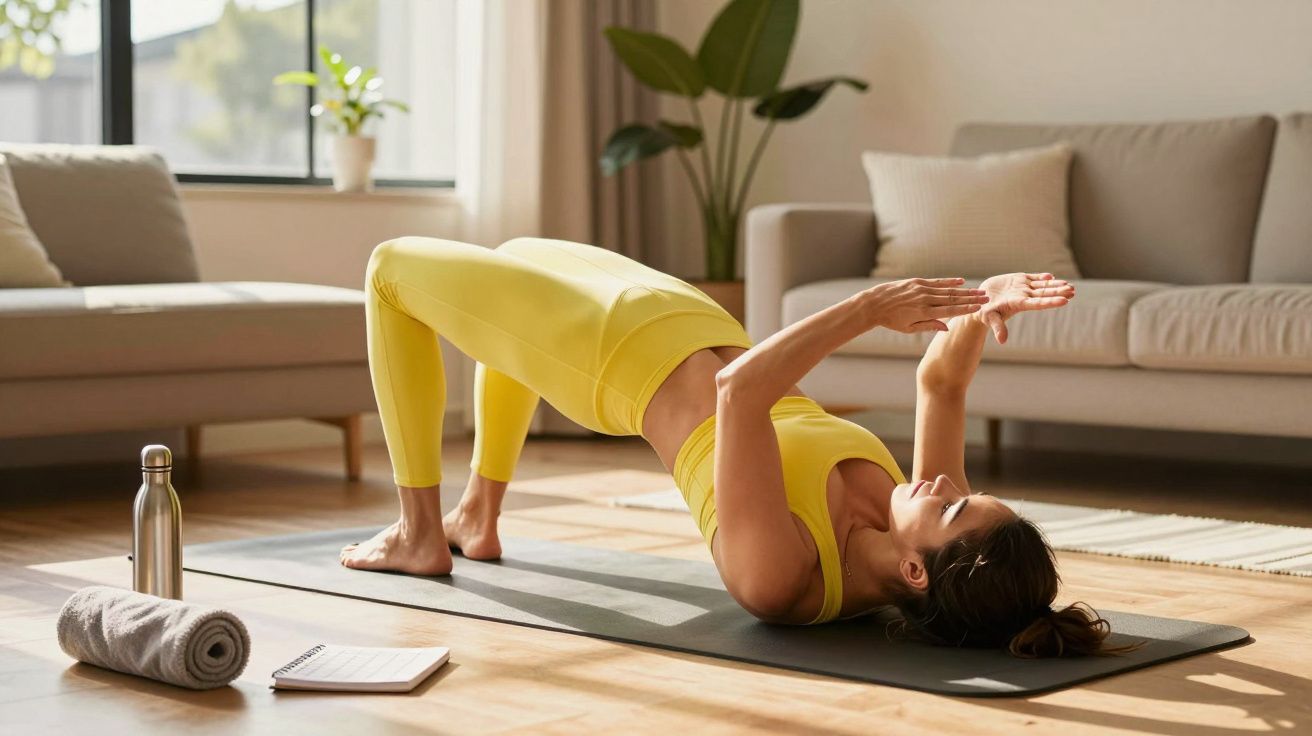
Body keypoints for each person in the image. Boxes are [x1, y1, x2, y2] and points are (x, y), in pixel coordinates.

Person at [341, 235, 1113, 657]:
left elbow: (739, 394)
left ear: (916, 571)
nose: (946, 485)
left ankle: (419, 535)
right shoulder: (915, 514)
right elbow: (942, 385)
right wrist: (985, 303)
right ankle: (477, 516)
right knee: (511, 252)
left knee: (390, 269)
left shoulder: (783, 579)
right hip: (693, 319)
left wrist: (869, 307)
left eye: (954, 506)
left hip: (609, 357)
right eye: (967, 493)